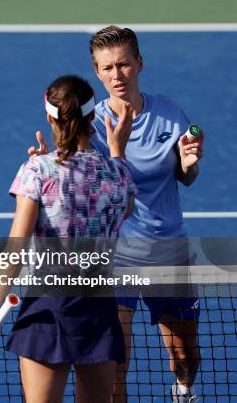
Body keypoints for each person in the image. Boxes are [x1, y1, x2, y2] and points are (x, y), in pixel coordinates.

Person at [28, 26, 204, 403]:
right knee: (112, 366)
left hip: (167, 252)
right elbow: (72, 179)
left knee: (185, 356)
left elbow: (185, 179)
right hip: (111, 258)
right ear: (97, 72)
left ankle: (184, 390)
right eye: (107, 68)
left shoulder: (171, 114)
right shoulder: (90, 125)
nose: (116, 75)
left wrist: (189, 164)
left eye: (124, 64)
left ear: (139, 63)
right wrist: (44, 165)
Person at [0, 75, 136, 403]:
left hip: (48, 310)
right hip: (99, 311)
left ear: (50, 116)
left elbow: (16, 246)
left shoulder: (37, 171)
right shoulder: (119, 174)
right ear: (93, 116)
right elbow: (122, 210)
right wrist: (118, 154)